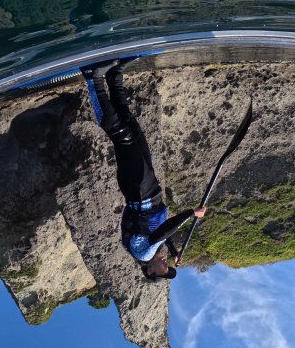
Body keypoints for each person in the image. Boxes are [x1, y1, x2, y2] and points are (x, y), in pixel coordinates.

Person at [80, 57, 206, 281]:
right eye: (169, 268)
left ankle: (93, 78)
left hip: (139, 191)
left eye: (163, 270)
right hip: (148, 189)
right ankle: (114, 77)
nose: (166, 266)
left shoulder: (143, 254)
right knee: (133, 129)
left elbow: (162, 231)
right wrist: (175, 250)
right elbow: (159, 235)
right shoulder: (151, 249)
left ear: (149, 270)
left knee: (122, 136)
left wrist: (191, 214)